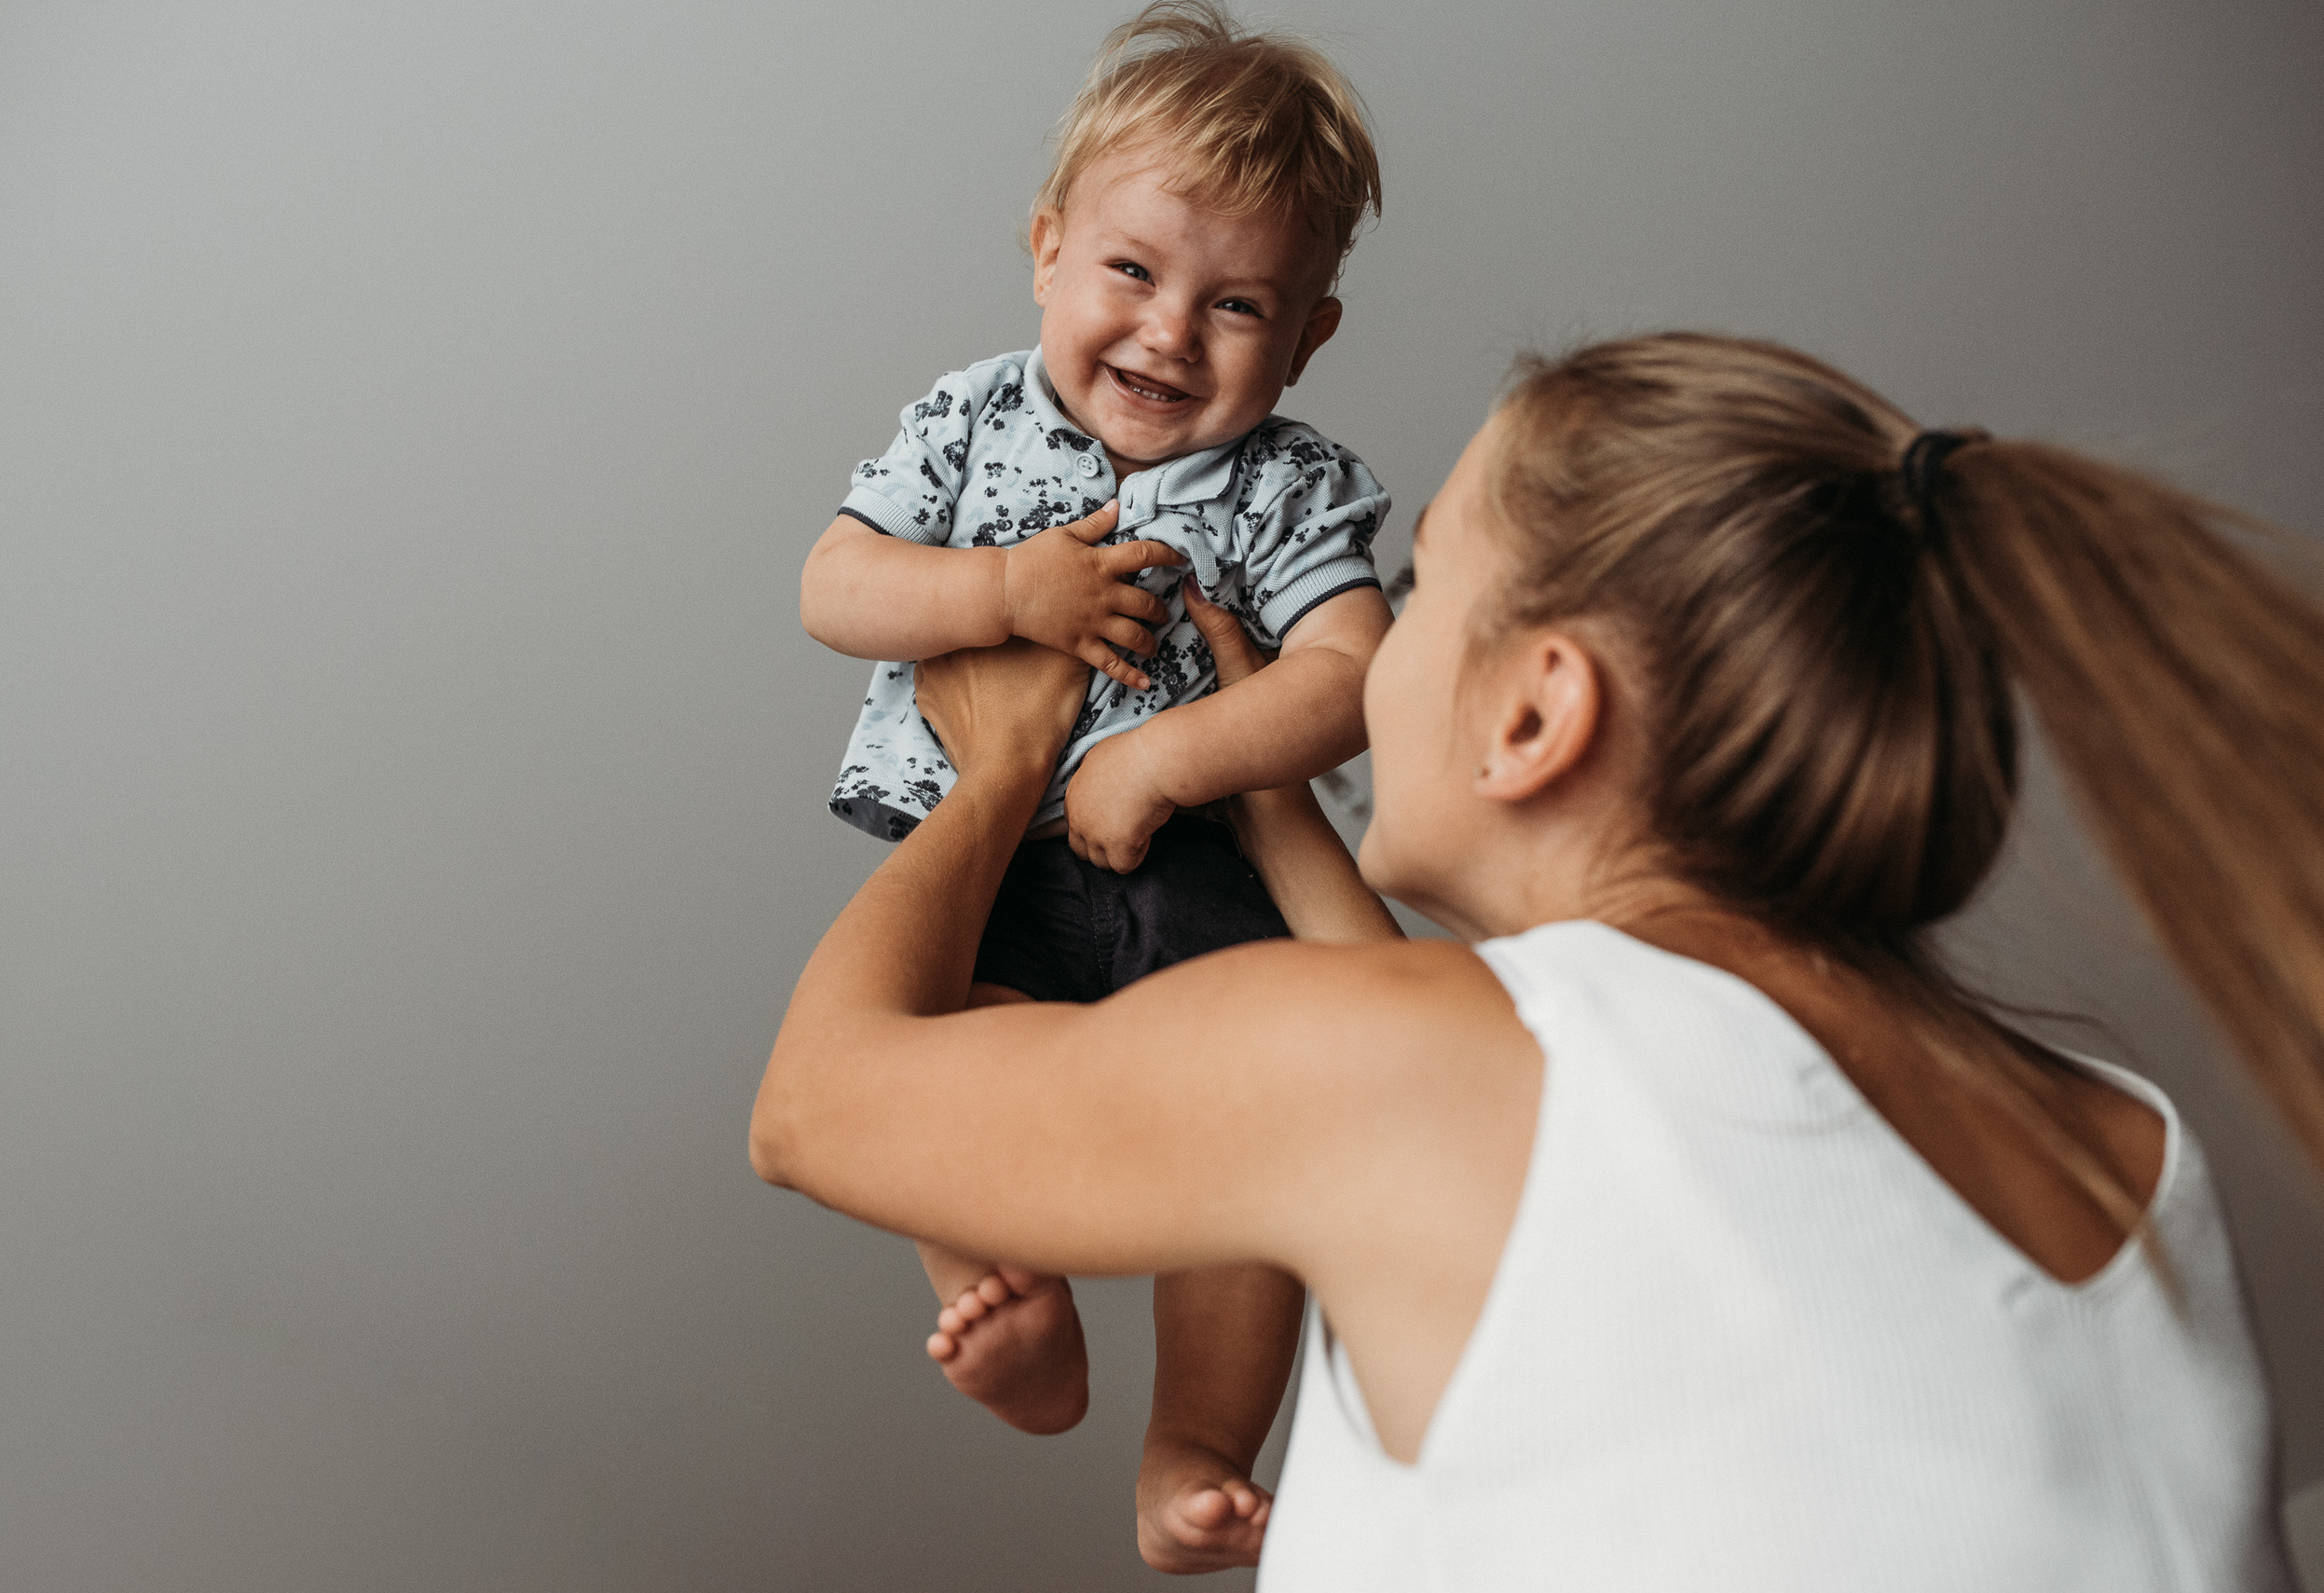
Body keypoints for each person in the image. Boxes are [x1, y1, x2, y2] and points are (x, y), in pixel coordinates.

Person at [757, 329, 2324, 1585]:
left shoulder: (1426, 1067)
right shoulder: (2130, 1145)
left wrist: (1002, 771)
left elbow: (813, 1106)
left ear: (1535, 712)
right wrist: (1266, 795)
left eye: (1416, 589)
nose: (1367, 647)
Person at [796, 0, 1394, 1567]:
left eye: (1238, 303)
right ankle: (1017, 1320)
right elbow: (835, 584)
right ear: (1048, 249)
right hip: (983, 867)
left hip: (1193, 875)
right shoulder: (969, 416)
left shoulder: (1286, 485)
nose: (1170, 333)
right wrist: (1001, 590)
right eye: (1132, 270)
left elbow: (1351, 672)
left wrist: (1170, 754)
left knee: (1254, 1155)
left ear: (1311, 334)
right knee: (933, 1072)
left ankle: (1193, 1445)